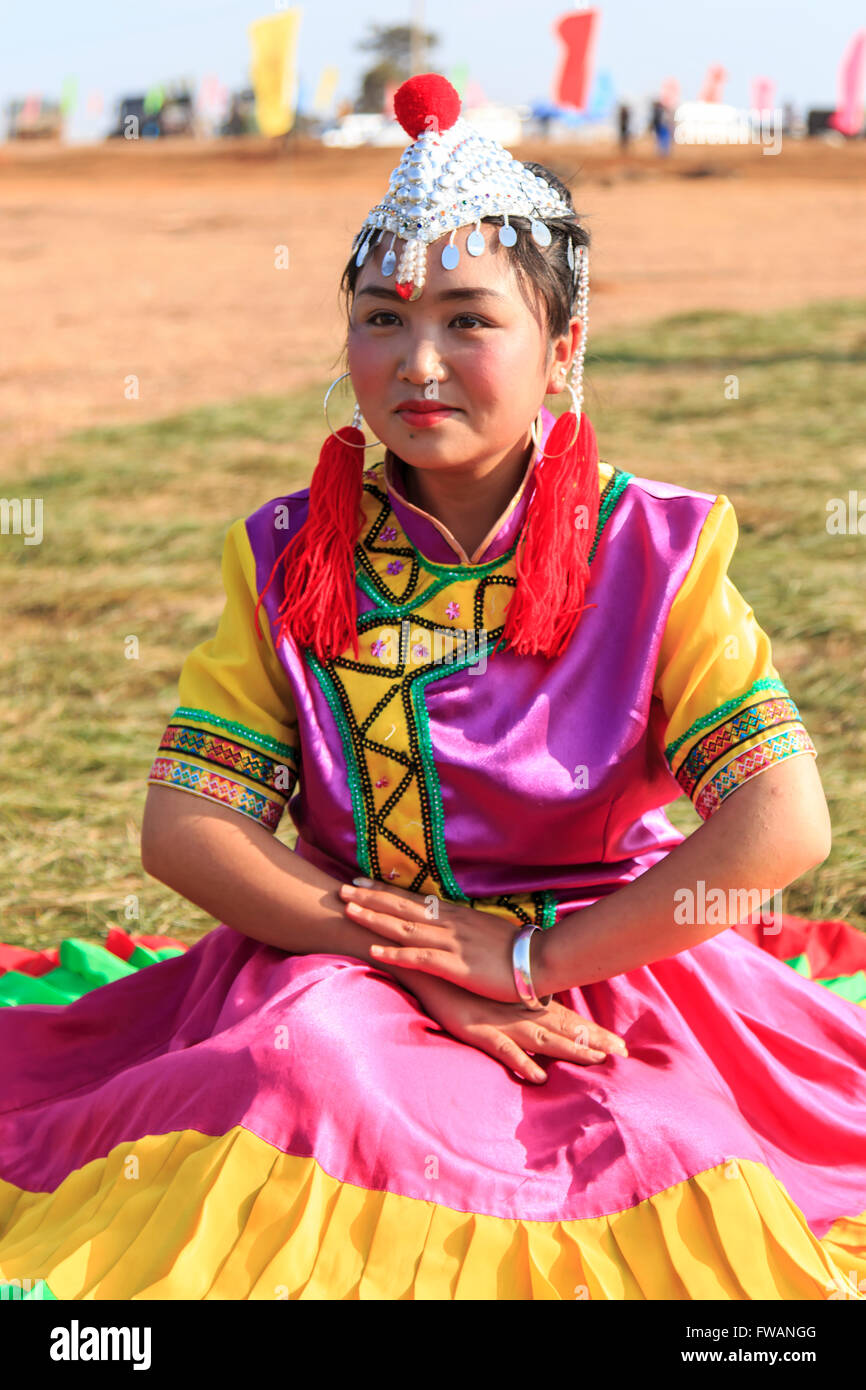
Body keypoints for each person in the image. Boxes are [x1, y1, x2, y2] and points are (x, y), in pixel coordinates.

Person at [1, 72, 865, 1302]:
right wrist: (424, 963)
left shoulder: (654, 552)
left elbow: (780, 825)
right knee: (309, 1075)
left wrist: (527, 966)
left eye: (468, 320)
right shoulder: (291, 553)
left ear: (562, 349)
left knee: (673, 1149)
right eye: (379, 317)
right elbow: (186, 825)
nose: (416, 363)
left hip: (604, 957)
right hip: (338, 952)